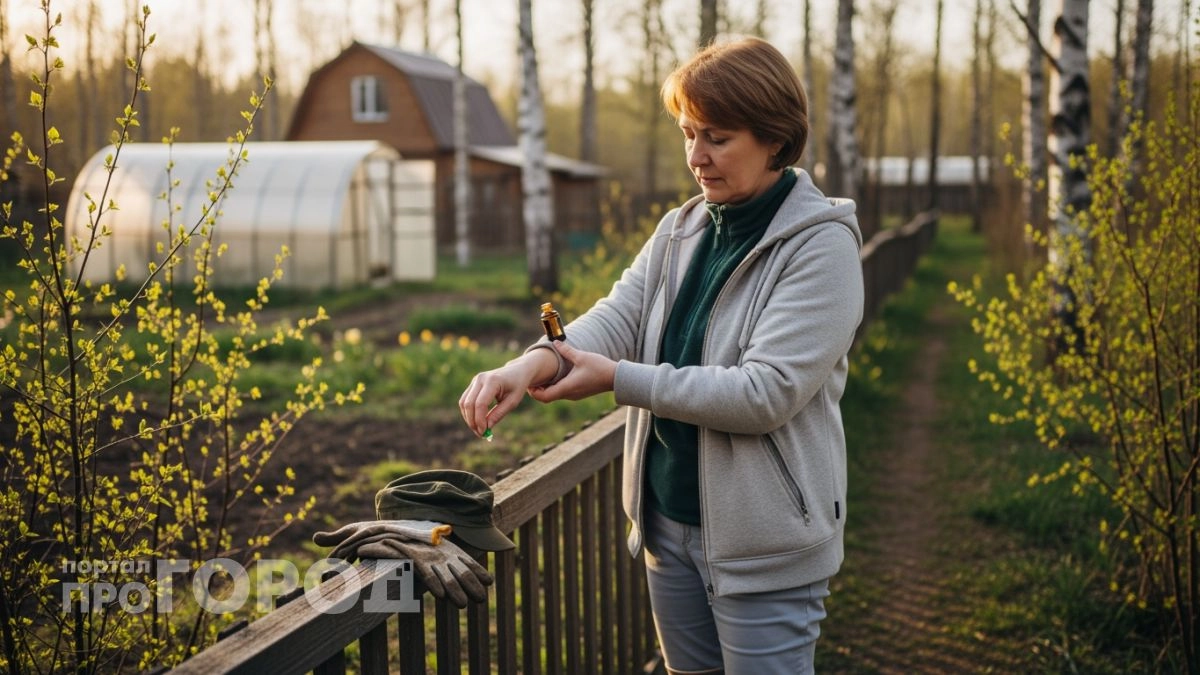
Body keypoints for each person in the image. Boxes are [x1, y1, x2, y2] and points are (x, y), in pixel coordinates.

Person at [459, 36, 863, 675]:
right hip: (665, 526)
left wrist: (618, 379)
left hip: (764, 542)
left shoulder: (821, 249)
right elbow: (618, 317)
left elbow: (765, 393)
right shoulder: (682, 228)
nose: (696, 157)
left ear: (776, 140)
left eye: (718, 138)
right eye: (687, 133)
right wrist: (531, 362)